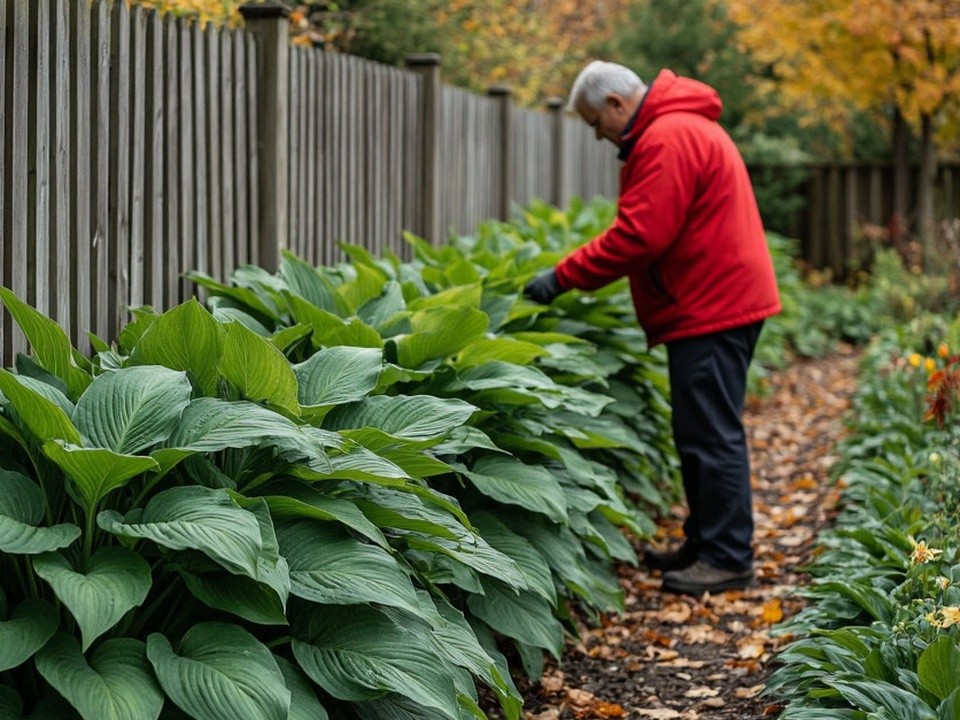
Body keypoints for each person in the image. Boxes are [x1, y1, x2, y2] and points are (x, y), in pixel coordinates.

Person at [524, 61, 781, 595]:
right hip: (713, 298)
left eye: (596, 122)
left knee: (711, 434)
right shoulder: (681, 126)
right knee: (698, 431)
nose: (598, 135)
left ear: (617, 103)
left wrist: (561, 277)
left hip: (712, 303)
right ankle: (707, 541)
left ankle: (729, 556)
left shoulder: (667, 136)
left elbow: (641, 236)